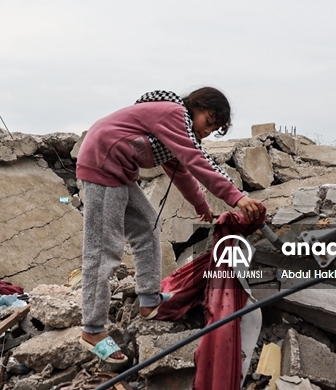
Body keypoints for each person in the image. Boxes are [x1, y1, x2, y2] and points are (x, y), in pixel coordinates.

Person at [75, 88, 266, 364]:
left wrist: (201, 205)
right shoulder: (174, 114)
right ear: (196, 106)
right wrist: (236, 197)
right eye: (208, 121)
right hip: (102, 164)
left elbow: (181, 171)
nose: (207, 131)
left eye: (214, 129)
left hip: (119, 169)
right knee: (104, 249)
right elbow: (197, 160)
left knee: (147, 226)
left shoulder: (172, 129)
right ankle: (92, 329)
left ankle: (149, 300)